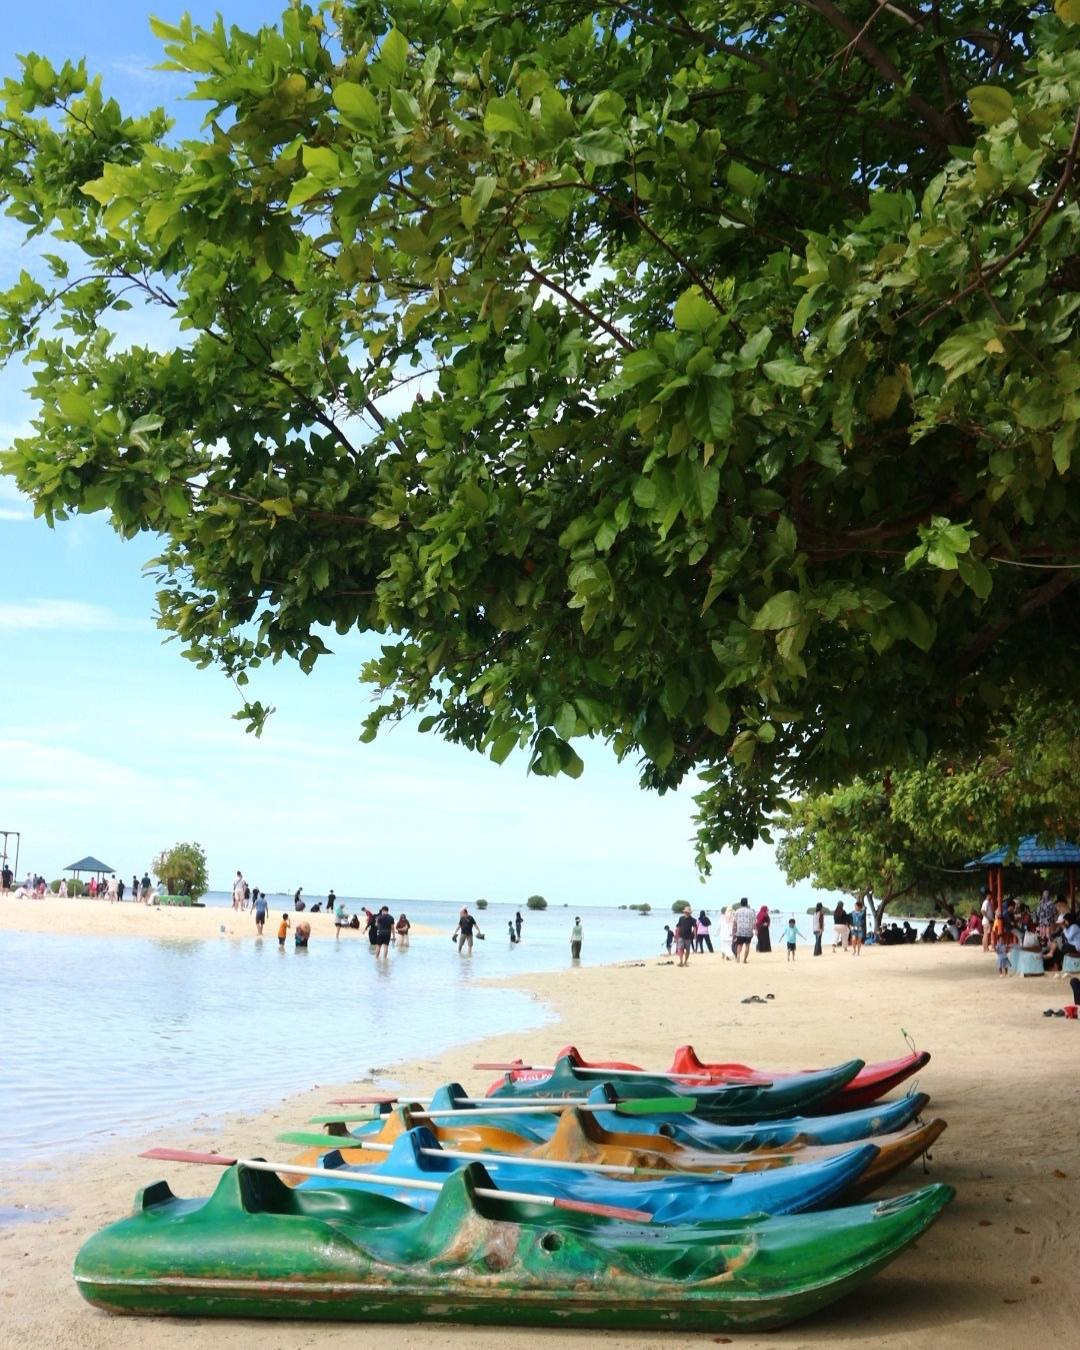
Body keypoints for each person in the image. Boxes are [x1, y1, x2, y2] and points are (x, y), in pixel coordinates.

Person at [732, 898, 754, 963]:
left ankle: (738, 956)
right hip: (748, 931)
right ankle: (744, 960)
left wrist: (734, 931)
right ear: (747, 903)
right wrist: (754, 930)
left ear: (741, 903)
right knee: (747, 945)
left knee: (739, 945)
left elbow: (734, 923)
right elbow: (754, 922)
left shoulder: (737, 911)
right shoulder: (751, 912)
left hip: (739, 930)